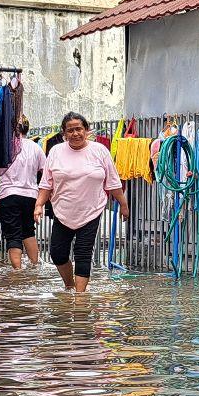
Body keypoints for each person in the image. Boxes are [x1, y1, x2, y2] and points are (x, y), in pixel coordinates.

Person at [35, 112, 129, 291]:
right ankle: (69, 285)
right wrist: (39, 204)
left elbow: (113, 182)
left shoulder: (99, 150)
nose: (75, 133)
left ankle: (80, 298)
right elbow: (46, 183)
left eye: (79, 129)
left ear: (86, 130)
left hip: (91, 210)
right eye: (70, 130)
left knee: (83, 253)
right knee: (57, 253)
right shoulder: (55, 151)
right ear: (64, 134)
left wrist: (123, 205)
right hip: (62, 210)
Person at [0, 116, 46, 269]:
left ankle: (17, 272)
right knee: (29, 231)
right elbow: (45, 170)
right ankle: (35, 267)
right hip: (31, 196)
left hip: (9, 195)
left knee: (13, 234)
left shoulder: (6, 146)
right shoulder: (35, 147)